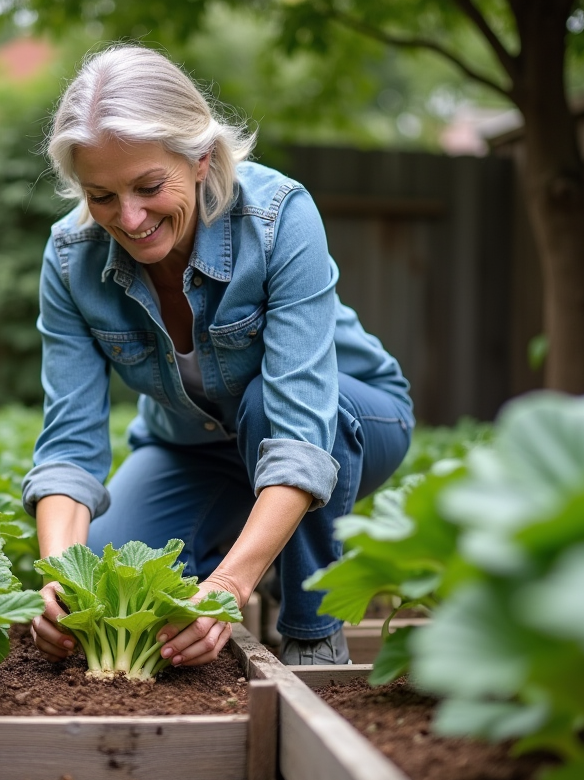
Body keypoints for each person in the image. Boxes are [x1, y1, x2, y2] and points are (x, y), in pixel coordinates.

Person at [22, 44, 413, 668]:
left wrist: (229, 590)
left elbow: (300, 431)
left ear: (201, 158)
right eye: (100, 195)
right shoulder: (71, 258)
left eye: (149, 186)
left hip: (350, 422)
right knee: (116, 580)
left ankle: (314, 634)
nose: (128, 217)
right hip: (192, 446)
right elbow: (69, 447)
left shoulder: (279, 216)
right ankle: (270, 543)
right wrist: (60, 582)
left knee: (267, 404)